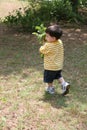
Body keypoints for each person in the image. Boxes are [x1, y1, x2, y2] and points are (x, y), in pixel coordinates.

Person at [39, 24, 70, 95]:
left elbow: (42, 50)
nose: (45, 37)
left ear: (53, 38)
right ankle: (64, 84)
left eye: (47, 36)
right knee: (58, 75)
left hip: (50, 67)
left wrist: (42, 45)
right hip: (58, 66)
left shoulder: (48, 45)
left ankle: (50, 88)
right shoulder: (59, 42)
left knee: (49, 79)